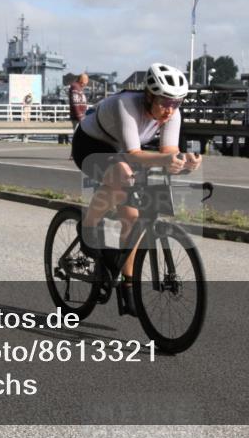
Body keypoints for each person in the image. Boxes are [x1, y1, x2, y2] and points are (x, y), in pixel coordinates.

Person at [71, 63, 202, 314]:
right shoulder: (127, 105)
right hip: (91, 144)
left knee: (132, 217)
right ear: (150, 95)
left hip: (121, 152)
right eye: (165, 102)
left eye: (177, 103)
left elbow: (168, 152)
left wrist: (186, 161)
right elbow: (133, 154)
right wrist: (164, 161)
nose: (170, 109)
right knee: (123, 174)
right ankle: (88, 225)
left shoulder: (172, 113)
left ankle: (127, 283)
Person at [63, 73, 89, 145]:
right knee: (78, 136)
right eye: (85, 82)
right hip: (77, 118)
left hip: (80, 117)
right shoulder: (75, 87)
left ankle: (75, 154)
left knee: (80, 136)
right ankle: (74, 154)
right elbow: (75, 103)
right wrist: (80, 116)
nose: (86, 84)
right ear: (82, 81)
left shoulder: (79, 88)